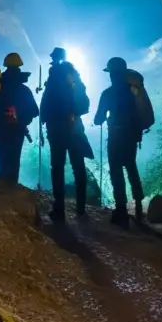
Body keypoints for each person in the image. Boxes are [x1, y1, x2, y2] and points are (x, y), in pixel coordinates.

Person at [40, 46, 93, 222]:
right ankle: (80, 208)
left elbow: (46, 105)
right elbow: (84, 104)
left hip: (58, 130)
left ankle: (59, 208)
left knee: (58, 168)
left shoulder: (54, 78)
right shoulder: (74, 77)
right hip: (74, 129)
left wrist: (45, 121)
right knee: (78, 166)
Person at [93, 56, 145, 228]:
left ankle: (121, 211)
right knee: (131, 167)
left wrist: (100, 118)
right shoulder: (133, 92)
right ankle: (138, 207)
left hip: (115, 136)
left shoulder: (107, 94)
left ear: (111, 74)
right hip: (131, 136)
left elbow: (99, 118)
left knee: (116, 173)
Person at [0, 53, 39, 185]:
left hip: (0, 130)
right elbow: (35, 111)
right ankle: (11, 190)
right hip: (17, 130)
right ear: (20, 65)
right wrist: (22, 119)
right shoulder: (23, 89)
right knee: (14, 161)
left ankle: (2, 189)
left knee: (3, 159)